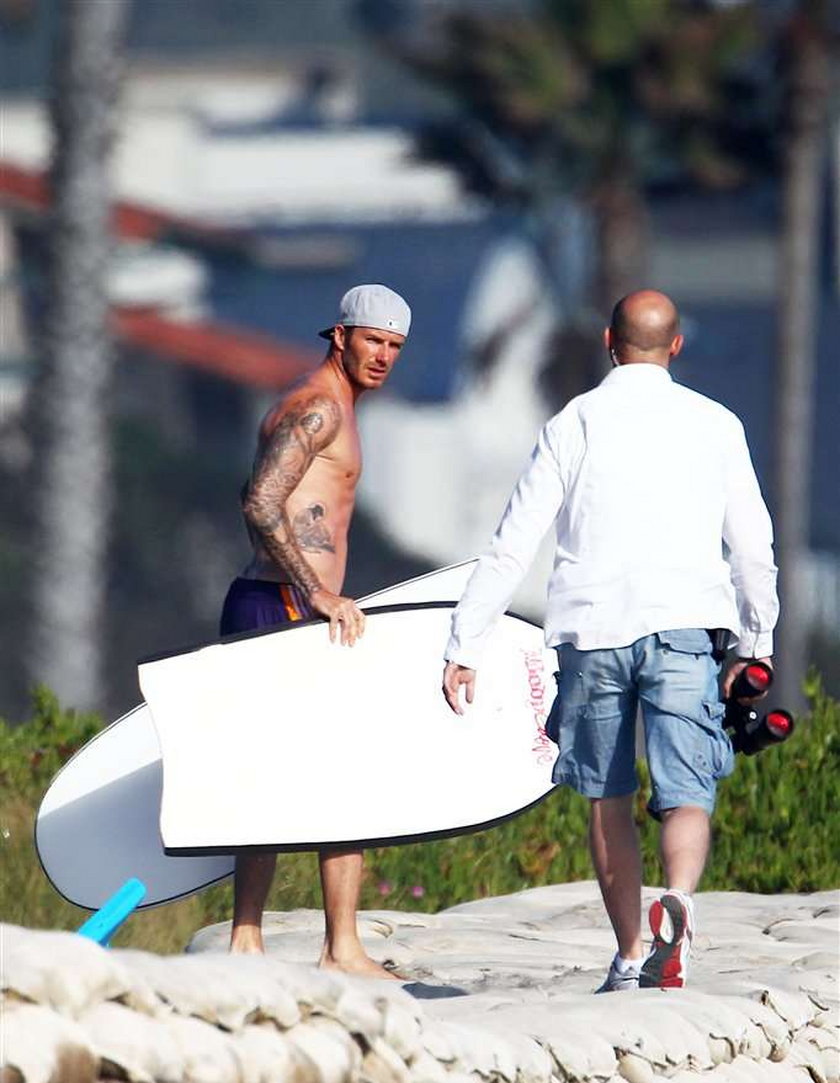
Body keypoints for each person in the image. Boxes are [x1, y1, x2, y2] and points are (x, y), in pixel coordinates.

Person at [442, 290, 779, 991]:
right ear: (677, 346)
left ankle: (630, 953)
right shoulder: (715, 424)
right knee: (687, 791)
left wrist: (464, 641)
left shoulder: (574, 422)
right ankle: (677, 904)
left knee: (607, 797)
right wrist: (757, 638)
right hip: (685, 626)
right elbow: (752, 546)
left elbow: (513, 543)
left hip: (592, 632)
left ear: (608, 340)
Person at [221, 283, 410, 974]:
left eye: (394, 346)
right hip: (285, 604)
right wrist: (320, 593)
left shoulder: (335, 406)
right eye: (373, 341)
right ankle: (336, 947)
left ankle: (257, 939)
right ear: (340, 336)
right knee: (341, 768)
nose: (384, 356)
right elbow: (262, 501)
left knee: (282, 772)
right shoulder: (319, 408)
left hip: (277, 600)